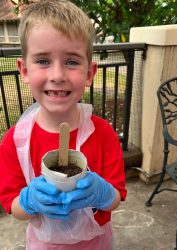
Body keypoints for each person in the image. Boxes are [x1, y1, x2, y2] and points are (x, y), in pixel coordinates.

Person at [0, 0, 127, 249]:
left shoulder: (103, 134)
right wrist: (28, 201)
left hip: (96, 243)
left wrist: (101, 193)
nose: (57, 75)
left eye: (71, 62)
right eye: (43, 61)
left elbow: (115, 199)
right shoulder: (15, 141)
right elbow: (13, 206)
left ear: (89, 73)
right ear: (24, 70)